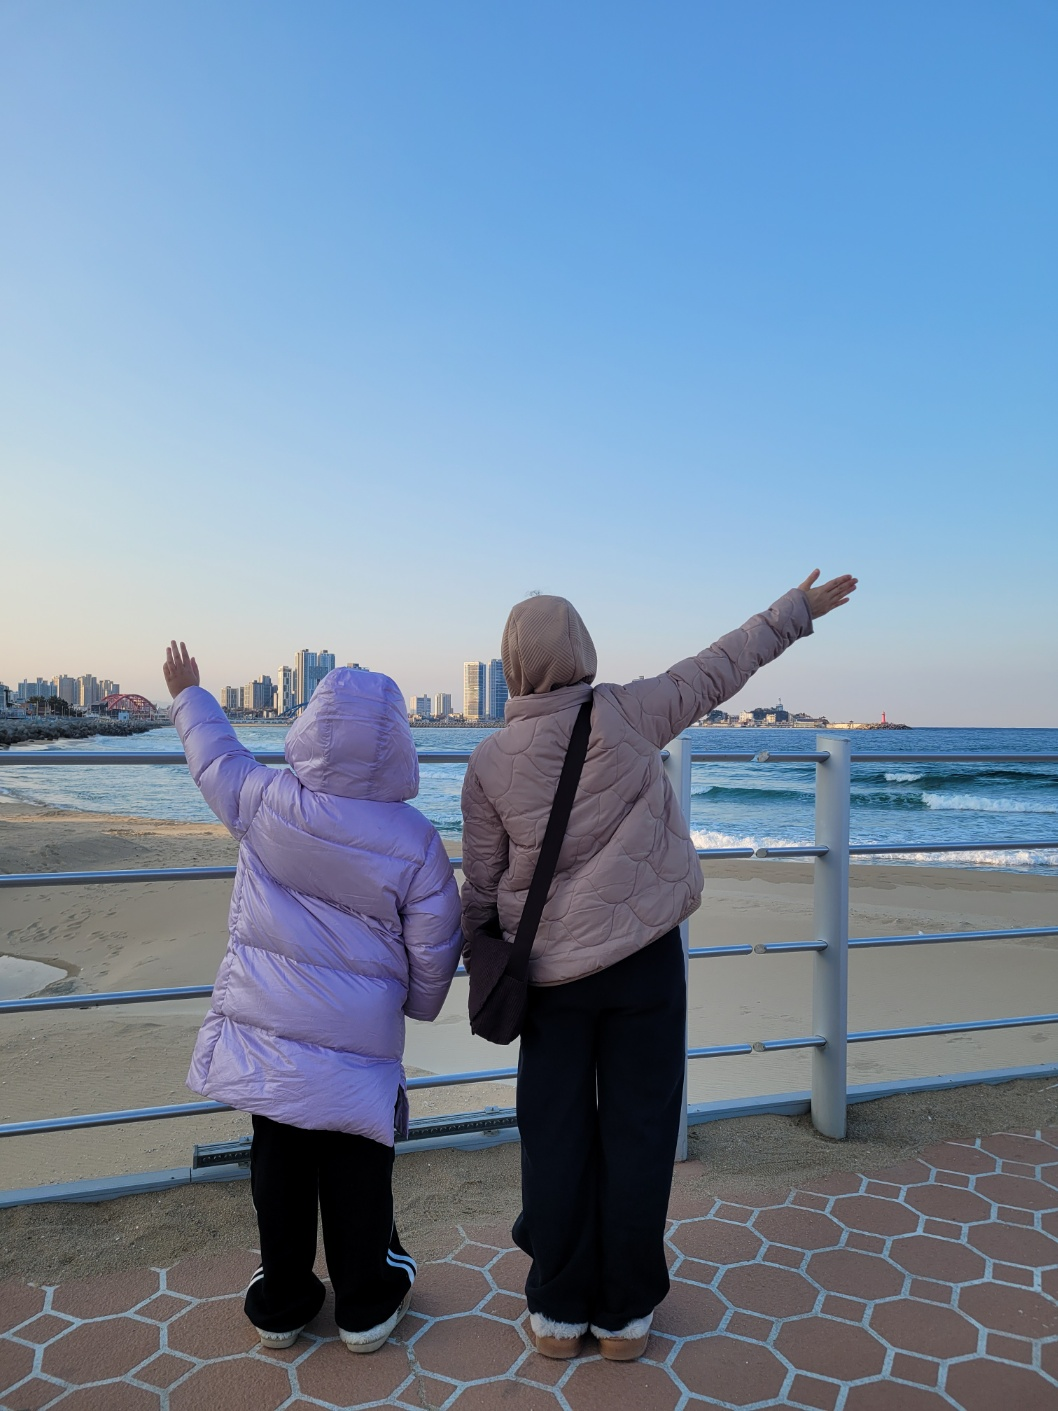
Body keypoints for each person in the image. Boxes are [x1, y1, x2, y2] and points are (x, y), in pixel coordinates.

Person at [460, 571, 857, 1362]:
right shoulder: (629, 712)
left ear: (512, 664)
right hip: (643, 963)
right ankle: (625, 1315)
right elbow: (719, 667)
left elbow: (481, 884)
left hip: (550, 979)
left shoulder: (489, 761)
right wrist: (795, 612)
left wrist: (478, 954)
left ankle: (557, 1309)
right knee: (639, 1131)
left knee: (554, 1135)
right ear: (581, 649)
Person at [163, 643, 462, 1354]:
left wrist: (188, 694)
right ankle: (366, 1305)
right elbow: (435, 946)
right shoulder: (417, 841)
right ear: (399, 745)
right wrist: (415, 1006)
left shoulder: (266, 800)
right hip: (361, 1042)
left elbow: (214, 757)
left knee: (279, 1164)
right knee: (359, 1165)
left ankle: (283, 1302)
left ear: (310, 727)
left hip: (272, 1034)